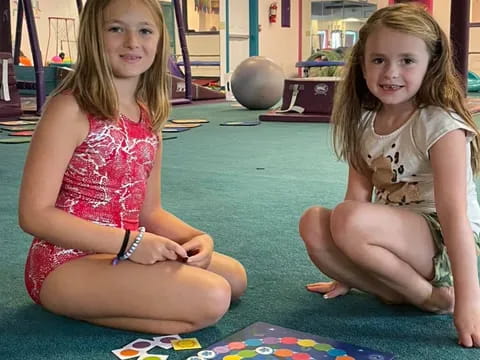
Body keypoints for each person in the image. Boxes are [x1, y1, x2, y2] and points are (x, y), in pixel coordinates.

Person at [19, 0, 247, 335]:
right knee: (212, 297)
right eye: (116, 29)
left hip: (125, 250)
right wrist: (129, 244)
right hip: (64, 262)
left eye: (144, 30)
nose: (132, 42)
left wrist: (195, 237)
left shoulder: (148, 116)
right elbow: (34, 214)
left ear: (159, 40)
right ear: (93, 37)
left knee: (234, 277)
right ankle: (66, 302)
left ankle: (129, 297)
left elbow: (149, 211)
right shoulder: (69, 108)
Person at [298, 3, 480, 348]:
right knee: (313, 222)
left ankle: (435, 298)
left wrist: (471, 303)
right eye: (378, 60)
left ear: (430, 65)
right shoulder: (363, 122)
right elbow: (355, 197)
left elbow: (454, 215)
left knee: (349, 219)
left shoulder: (441, 125)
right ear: (362, 66)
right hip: (394, 237)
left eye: (407, 61)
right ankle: (405, 293)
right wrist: (344, 270)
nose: (390, 72)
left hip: (441, 240)